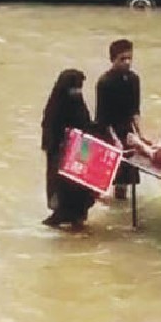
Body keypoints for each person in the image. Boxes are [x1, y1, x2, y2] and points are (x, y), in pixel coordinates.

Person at [41, 69, 100, 231]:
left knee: (81, 191)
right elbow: (50, 134)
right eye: (74, 88)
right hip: (61, 157)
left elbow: (86, 127)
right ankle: (62, 216)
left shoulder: (78, 103)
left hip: (80, 154)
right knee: (63, 191)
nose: (77, 92)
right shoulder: (55, 108)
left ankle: (77, 219)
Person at [96, 39, 142, 200]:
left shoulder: (133, 79)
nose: (127, 62)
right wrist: (115, 141)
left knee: (124, 178)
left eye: (130, 58)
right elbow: (103, 117)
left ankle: (121, 201)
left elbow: (135, 110)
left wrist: (141, 136)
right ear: (113, 59)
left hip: (126, 130)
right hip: (107, 130)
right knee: (101, 180)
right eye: (122, 59)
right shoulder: (104, 83)